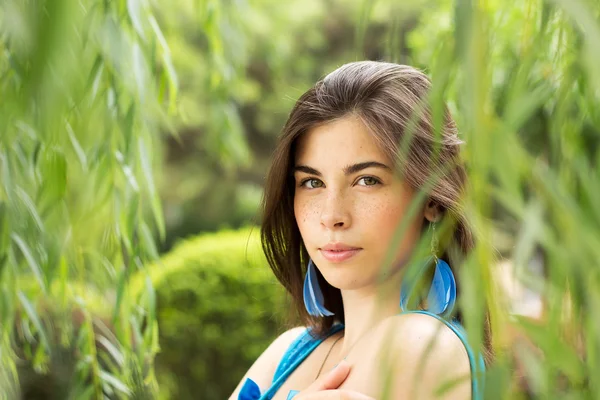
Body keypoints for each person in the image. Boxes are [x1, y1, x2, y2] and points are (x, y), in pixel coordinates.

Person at [230, 61, 492, 400]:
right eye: (312, 182)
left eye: (367, 180)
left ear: (433, 201)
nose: (332, 215)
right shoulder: (289, 352)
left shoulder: (418, 345)